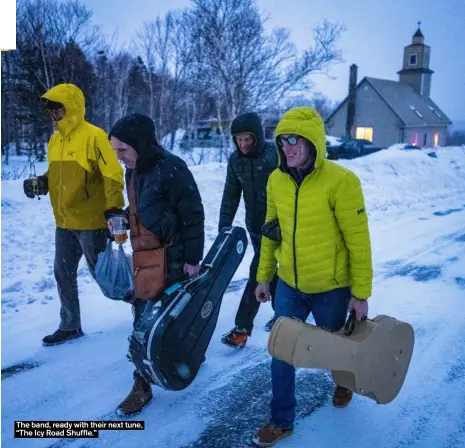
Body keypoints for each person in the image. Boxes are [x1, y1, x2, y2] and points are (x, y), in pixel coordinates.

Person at [252, 106, 373, 447]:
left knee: (338, 346)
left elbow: (358, 242)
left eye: (295, 140)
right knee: (281, 350)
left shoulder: (342, 181)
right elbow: (270, 232)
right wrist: (263, 278)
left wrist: (360, 293)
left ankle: (343, 383)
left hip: (331, 288)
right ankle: (281, 420)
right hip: (289, 284)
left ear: (313, 142)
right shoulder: (276, 180)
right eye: (282, 140)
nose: (287, 147)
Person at [108, 113, 205, 416]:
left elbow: (194, 215)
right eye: (115, 151)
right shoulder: (133, 171)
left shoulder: (171, 168)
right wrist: (123, 218)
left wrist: (192, 260)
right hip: (145, 258)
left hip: (172, 260)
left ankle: (142, 384)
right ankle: (169, 364)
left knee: (152, 321)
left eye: (122, 150)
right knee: (147, 317)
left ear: (139, 144)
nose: (118, 157)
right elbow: (142, 206)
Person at [23, 84, 125, 346]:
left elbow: (113, 174)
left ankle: (143, 303)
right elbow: (58, 175)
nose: (54, 113)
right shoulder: (55, 140)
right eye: (51, 108)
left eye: (58, 107)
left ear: (72, 107)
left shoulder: (95, 136)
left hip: (92, 222)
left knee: (105, 277)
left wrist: (114, 209)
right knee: (62, 273)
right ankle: (70, 326)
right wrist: (42, 183)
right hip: (64, 222)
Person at [218, 112, 279, 349]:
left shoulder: (275, 154)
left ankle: (242, 328)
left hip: (279, 227)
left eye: (248, 139)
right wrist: (225, 227)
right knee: (269, 271)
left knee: (260, 271)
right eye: (239, 140)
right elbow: (230, 196)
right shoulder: (236, 161)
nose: (243, 144)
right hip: (255, 227)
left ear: (258, 137)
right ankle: (282, 316)